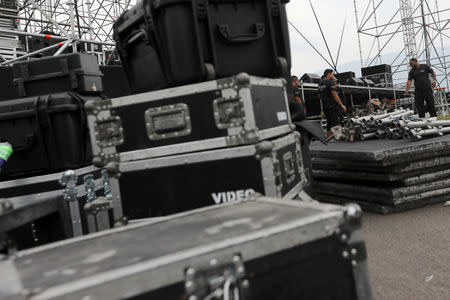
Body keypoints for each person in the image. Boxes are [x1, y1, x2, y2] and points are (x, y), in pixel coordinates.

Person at [318, 69, 346, 139]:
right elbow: (334, 95)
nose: (333, 76)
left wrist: (325, 99)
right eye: (332, 74)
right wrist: (341, 105)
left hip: (325, 106)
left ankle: (329, 136)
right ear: (328, 74)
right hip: (332, 105)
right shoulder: (330, 82)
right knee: (335, 121)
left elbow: (319, 95)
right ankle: (338, 136)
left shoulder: (320, 83)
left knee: (329, 122)